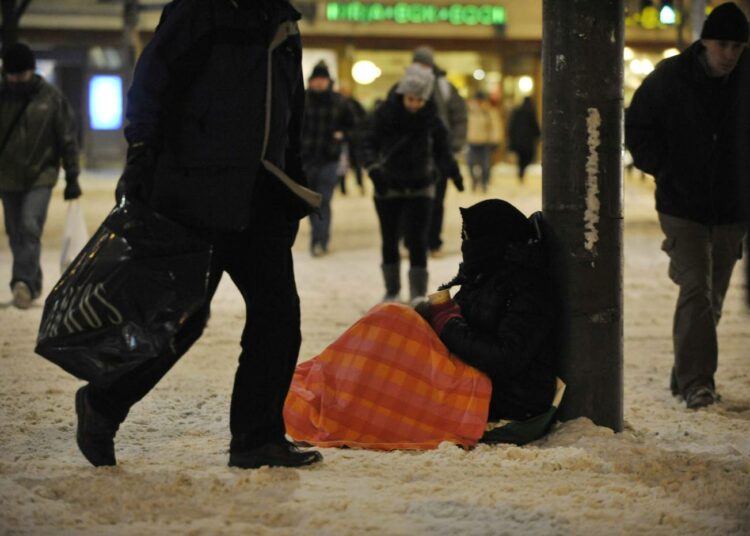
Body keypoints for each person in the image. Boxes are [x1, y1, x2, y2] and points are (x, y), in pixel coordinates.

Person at [75, 0, 324, 469]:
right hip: (194, 191)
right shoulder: (198, 10)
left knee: (279, 317)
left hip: (261, 193)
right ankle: (102, 403)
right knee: (180, 318)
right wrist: (143, 155)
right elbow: (152, 84)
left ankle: (256, 438)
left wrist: (294, 180)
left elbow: (292, 110)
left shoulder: (284, 22)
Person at [283, 199, 558, 449]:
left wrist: (447, 322)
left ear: (494, 240)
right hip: (470, 368)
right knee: (388, 322)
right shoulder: (487, 272)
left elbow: (505, 357)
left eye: (471, 237)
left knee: (390, 320)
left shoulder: (529, 289)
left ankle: (330, 398)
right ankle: (324, 383)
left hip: (499, 393)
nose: (466, 244)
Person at [625, 2, 749, 409]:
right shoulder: (672, 77)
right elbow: (637, 124)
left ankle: (686, 368)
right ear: (705, 42)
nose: (729, 54)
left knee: (712, 296)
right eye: (722, 45)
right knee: (695, 287)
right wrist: (663, 167)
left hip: (732, 206)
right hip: (682, 204)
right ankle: (698, 382)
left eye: (737, 46)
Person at [361, 65, 463, 304]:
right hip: (388, 186)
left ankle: (417, 293)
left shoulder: (432, 119)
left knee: (418, 240)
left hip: (421, 186)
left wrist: (453, 173)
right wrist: (374, 170)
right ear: (402, 95)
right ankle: (392, 289)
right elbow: (367, 144)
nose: (414, 104)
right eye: (410, 98)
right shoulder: (384, 114)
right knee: (389, 239)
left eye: (419, 100)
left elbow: (443, 151)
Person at [0, 42, 81, 310]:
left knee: (29, 226)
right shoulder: (3, 96)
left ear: (31, 71)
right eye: (10, 75)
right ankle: (32, 282)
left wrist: (72, 176)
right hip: (7, 176)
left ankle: (22, 282)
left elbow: (67, 139)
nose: (14, 80)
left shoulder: (51, 98)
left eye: (19, 75)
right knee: (15, 232)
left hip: (41, 176)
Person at [411, 45, 467, 258]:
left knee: (436, 201)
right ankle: (415, 240)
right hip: (414, 155)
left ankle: (433, 241)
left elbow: (459, 116)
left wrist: (453, 145)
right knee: (415, 200)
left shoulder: (444, 87)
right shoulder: (407, 86)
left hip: (439, 154)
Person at [301, 60, 354, 257]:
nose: (319, 83)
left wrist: (342, 135)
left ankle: (320, 240)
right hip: (306, 159)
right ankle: (317, 237)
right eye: (316, 79)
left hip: (329, 159)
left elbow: (355, 126)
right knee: (310, 202)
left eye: (322, 79)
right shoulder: (302, 101)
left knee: (323, 200)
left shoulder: (339, 102)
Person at [466, 90, 503, 193]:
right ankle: (474, 180)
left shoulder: (489, 112)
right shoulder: (469, 111)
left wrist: (495, 141)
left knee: (485, 165)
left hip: (484, 142)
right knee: (470, 163)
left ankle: (484, 183)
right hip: (471, 141)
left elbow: (495, 127)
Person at [508, 96, 541, 182]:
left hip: (519, 141)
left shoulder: (517, 112)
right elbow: (535, 126)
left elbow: (511, 127)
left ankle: (521, 171)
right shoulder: (531, 112)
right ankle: (522, 171)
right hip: (527, 142)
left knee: (521, 158)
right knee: (527, 157)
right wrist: (538, 135)